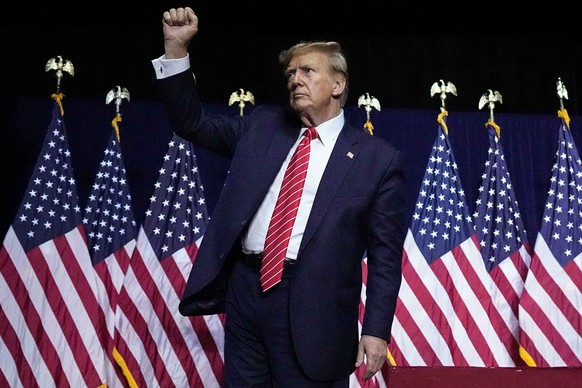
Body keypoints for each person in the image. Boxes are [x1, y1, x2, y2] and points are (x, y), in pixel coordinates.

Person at [152, 7, 406, 387]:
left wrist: (377, 330)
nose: (295, 80)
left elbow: (386, 256)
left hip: (315, 311)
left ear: (338, 85)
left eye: (308, 71)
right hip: (247, 292)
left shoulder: (377, 160)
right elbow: (192, 123)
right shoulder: (262, 127)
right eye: (290, 73)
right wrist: (175, 50)